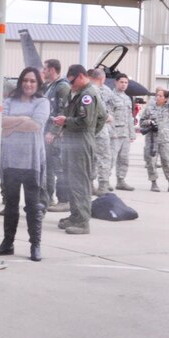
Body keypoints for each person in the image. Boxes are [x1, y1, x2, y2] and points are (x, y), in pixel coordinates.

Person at [0, 67, 49, 261]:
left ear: (38, 84)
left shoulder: (42, 102)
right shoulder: (9, 101)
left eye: (33, 81)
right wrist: (22, 119)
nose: (28, 84)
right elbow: (0, 122)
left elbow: (36, 125)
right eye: (25, 80)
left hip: (32, 161)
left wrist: (11, 125)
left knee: (33, 205)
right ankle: (7, 243)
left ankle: (35, 245)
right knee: (10, 205)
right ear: (20, 82)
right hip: (10, 160)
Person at [52, 64, 101, 234]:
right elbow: (101, 116)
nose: (71, 85)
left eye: (72, 82)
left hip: (81, 142)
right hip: (74, 141)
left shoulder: (88, 95)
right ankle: (75, 215)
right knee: (72, 180)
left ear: (80, 76)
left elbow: (88, 121)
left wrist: (65, 121)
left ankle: (82, 221)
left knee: (80, 182)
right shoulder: (80, 93)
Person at [41, 59, 72, 211]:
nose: (43, 71)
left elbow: (63, 111)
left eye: (45, 69)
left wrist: (53, 132)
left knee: (58, 168)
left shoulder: (62, 87)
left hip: (56, 136)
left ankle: (63, 200)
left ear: (52, 70)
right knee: (48, 167)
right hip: (47, 133)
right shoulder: (51, 86)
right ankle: (48, 198)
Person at [139, 89, 169, 193]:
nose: (158, 97)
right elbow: (141, 122)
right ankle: (154, 183)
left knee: (168, 161)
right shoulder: (149, 108)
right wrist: (149, 122)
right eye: (157, 95)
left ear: (165, 99)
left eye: (161, 96)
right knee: (151, 162)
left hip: (165, 139)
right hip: (152, 139)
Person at [89, 68, 114, 194]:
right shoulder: (95, 90)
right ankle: (103, 186)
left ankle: (90, 185)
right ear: (102, 79)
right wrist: (108, 117)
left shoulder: (86, 89)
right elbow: (103, 111)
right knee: (104, 158)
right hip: (100, 130)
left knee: (91, 158)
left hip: (88, 130)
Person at [110, 74, 136, 190]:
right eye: (121, 82)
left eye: (126, 83)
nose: (124, 85)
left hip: (125, 134)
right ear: (116, 82)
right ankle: (105, 181)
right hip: (115, 134)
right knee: (111, 159)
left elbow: (130, 117)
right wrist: (112, 132)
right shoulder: (111, 97)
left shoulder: (127, 98)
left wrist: (132, 133)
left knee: (124, 159)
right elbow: (108, 116)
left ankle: (121, 180)